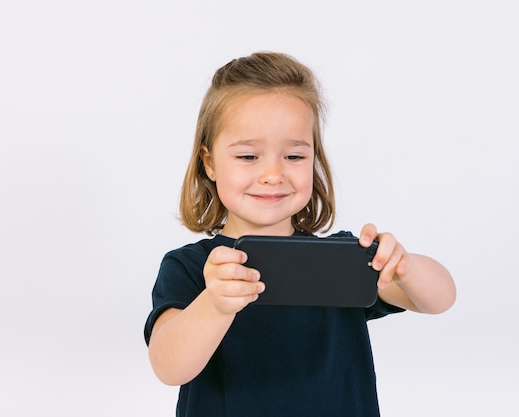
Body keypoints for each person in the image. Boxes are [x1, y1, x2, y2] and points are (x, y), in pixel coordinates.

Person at [144, 51, 456, 417]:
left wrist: (405, 266)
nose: (273, 174)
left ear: (314, 159)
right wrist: (213, 304)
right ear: (210, 162)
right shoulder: (191, 266)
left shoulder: (341, 259)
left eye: (293, 157)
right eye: (248, 157)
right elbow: (169, 367)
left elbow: (440, 299)